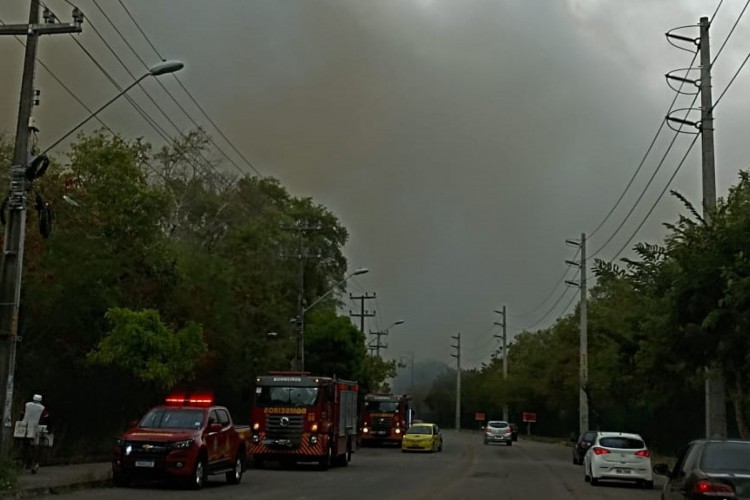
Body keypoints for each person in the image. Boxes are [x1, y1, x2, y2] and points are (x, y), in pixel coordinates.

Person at [20, 394, 50, 474]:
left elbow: (22, 414)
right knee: (36, 446)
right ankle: (34, 464)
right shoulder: (42, 408)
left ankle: (22, 463)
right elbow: (46, 418)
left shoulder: (27, 404)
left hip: (24, 427)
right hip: (34, 428)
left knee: (24, 445)